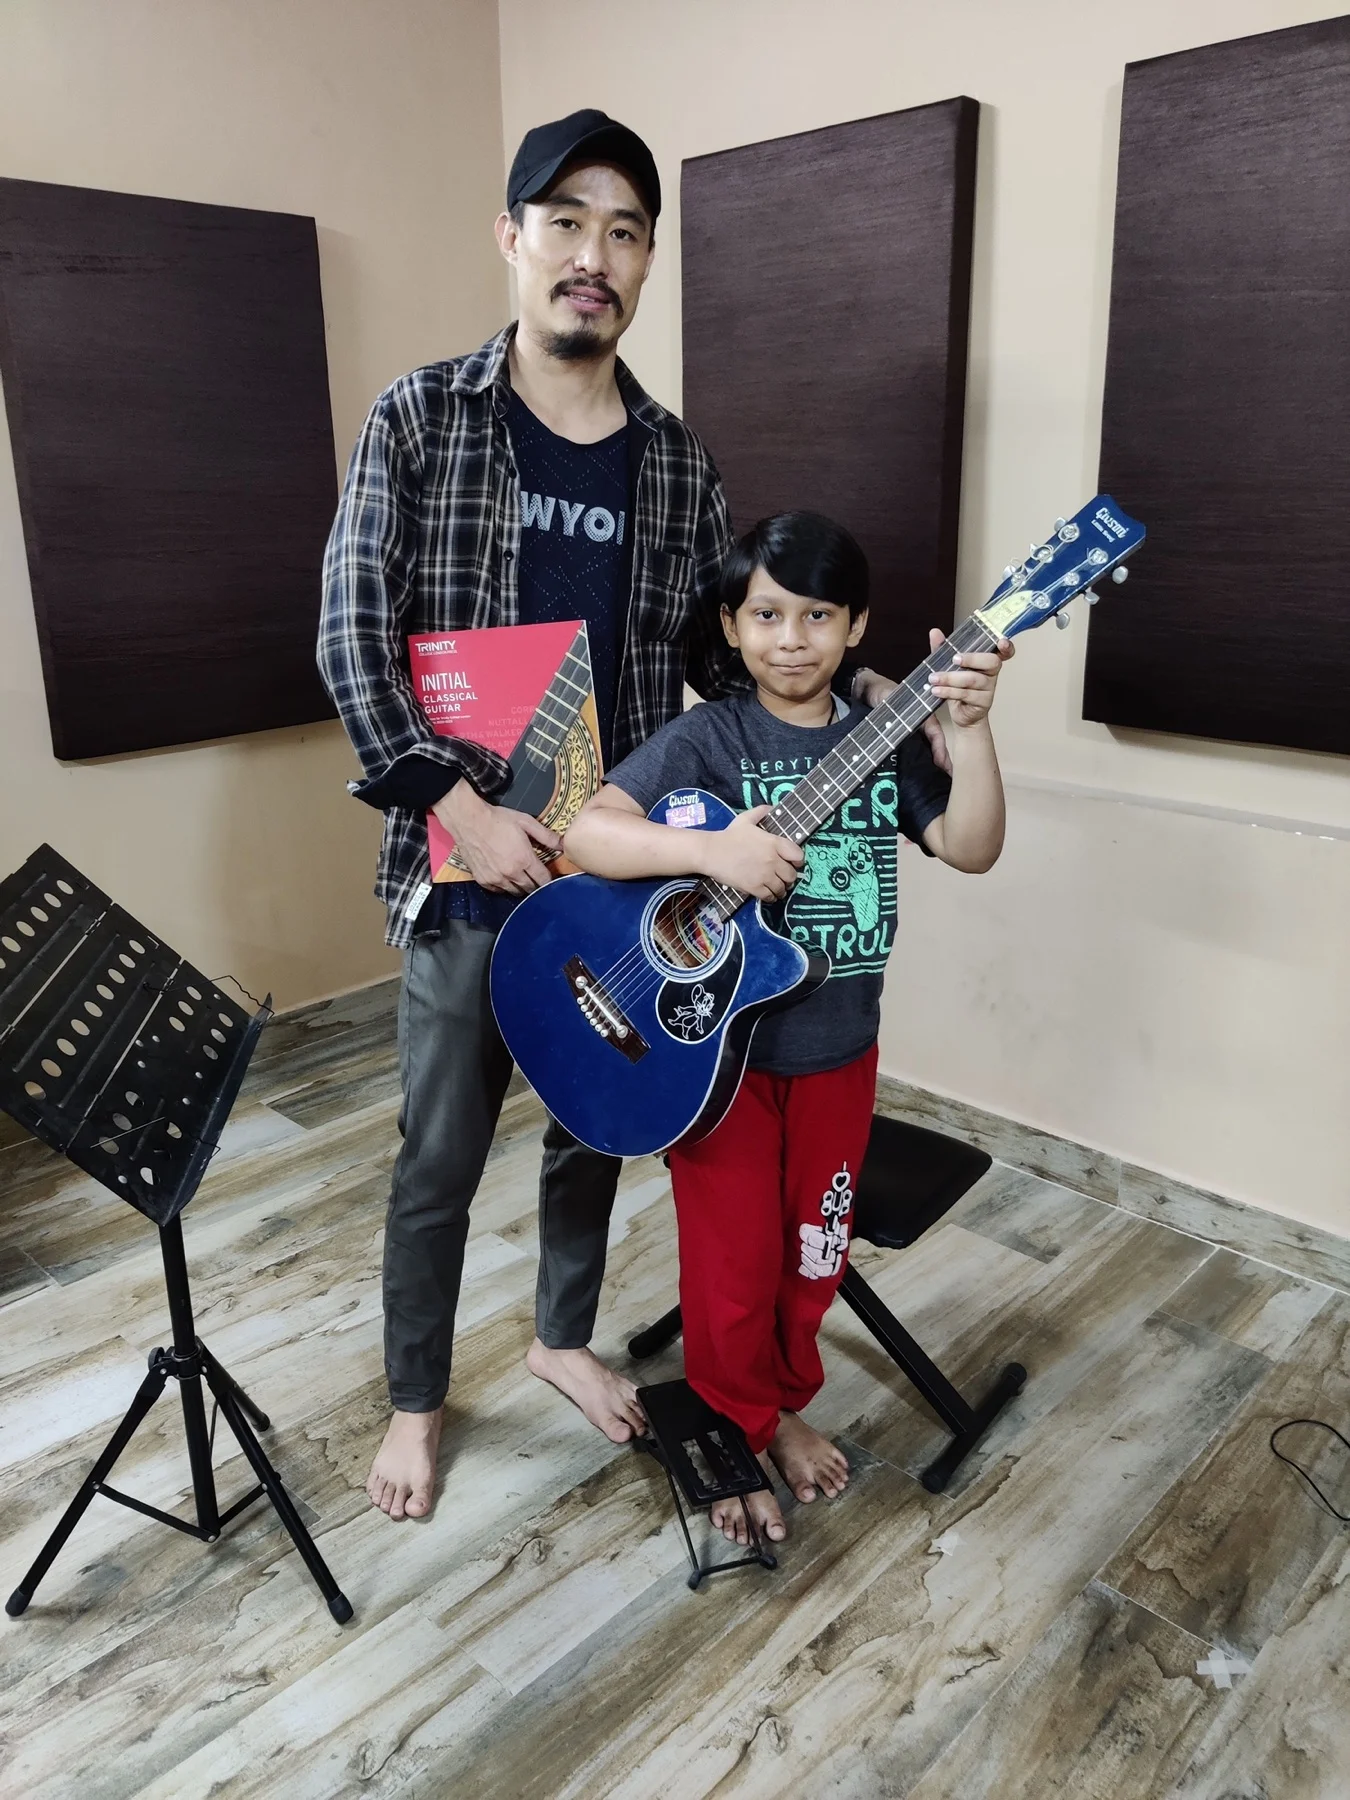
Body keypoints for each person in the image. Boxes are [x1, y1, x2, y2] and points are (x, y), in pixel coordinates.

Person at [318, 113, 931, 1522]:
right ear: (513, 238)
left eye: (624, 231)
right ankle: (417, 1398)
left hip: (623, 881)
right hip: (470, 868)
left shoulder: (675, 460)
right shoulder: (422, 418)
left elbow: (725, 671)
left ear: (645, 262)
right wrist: (460, 811)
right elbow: (352, 639)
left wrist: (864, 691)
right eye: (567, 222)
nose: (593, 256)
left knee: (597, 1120)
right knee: (440, 1148)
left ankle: (557, 1334)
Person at [564, 511, 1010, 1544]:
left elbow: (973, 844)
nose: (793, 638)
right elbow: (586, 830)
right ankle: (733, 1429)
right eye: (767, 614)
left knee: (815, 1252)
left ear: (857, 627)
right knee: (731, 1267)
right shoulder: (708, 738)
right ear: (731, 624)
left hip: (840, 1055)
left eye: (819, 615)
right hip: (717, 1065)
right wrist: (719, 853)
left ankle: (784, 1404)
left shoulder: (879, 739)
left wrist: (974, 734)